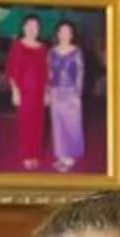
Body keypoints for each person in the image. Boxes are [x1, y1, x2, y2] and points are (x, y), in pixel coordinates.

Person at [3, 12, 49, 170]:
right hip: (24, 92)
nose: (32, 29)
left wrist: (47, 92)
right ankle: (26, 155)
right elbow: (11, 69)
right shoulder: (17, 45)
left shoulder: (42, 48)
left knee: (38, 124)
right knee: (24, 124)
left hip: (39, 91)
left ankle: (35, 154)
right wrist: (15, 91)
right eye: (29, 26)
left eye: (35, 26)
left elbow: (46, 72)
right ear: (23, 28)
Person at [45, 17, 88, 170]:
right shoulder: (51, 51)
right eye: (62, 31)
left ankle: (70, 156)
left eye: (67, 31)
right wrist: (47, 92)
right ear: (57, 34)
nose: (64, 34)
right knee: (57, 125)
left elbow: (80, 73)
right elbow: (48, 73)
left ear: (72, 34)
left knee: (72, 124)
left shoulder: (77, 51)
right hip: (56, 91)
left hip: (71, 93)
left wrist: (78, 93)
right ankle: (61, 156)